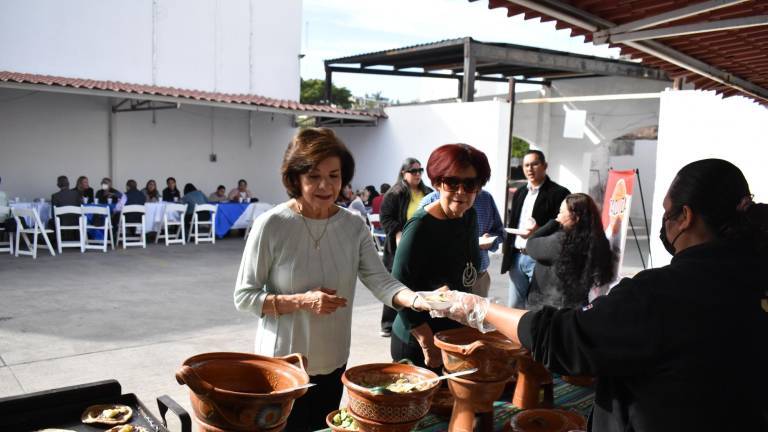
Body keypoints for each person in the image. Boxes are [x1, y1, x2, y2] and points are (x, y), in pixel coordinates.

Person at [435, 158, 768, 432]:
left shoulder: (663, 291)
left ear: (685, 217)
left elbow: (563, 338)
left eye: (667, 212)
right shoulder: (751, 279)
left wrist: (477, 308)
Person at [233, 127, 429, 432]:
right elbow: (245, 297)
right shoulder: (271, 225)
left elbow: (381, 280)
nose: (325, 185)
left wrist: (420, 299)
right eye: (313, 176)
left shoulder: (352, 226)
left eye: (334, 176)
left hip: (333, 358)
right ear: (295, 178)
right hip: (282, 366)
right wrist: (303, 300)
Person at [390, 143, 488, 370]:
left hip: (452, 332)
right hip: (418, 337)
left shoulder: (469, 216)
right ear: (437, 184)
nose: (461, 192)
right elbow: (396, 288)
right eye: (452, 182)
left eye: (470, 184)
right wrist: (426, 343)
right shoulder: (420, 226)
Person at [501, 150, 569, 308]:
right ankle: (514, 334)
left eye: (534, 164)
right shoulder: (520, 192)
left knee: (538, 306)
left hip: (539, 259)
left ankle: (533, 333)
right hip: (516, 257)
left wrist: (539, 231)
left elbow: (565, 226)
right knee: (514, 306)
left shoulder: (559, 193)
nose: (530, 169)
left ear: (545, 166)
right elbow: (514, 223)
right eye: (526, 165)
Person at [525, 193, 615, 310]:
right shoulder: (597, 240)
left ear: (575, 217)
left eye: (562, 212)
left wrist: (553, 223)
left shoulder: (560, 242)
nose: (558, 215)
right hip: (576, 305)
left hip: (549, 307)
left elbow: (531, 244)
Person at [379, 158, 433, 337]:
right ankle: (388, 324)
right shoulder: (395, 193)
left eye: (420, 171)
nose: (418, 174)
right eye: (413, 171)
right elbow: (385, 218)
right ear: (404, 173)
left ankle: (416, 324)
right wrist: (398, 231)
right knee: (395, 283)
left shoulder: (428, 192)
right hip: (399, 247)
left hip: (423, 247)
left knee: (418, 284)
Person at [419, 188, 504, 297]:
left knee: (479, 313)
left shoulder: (486, 198)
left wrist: (491, 240)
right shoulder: (431, 199)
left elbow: (500, 232)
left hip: (478, 278)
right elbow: (418, 245)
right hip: (443, 281)